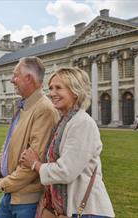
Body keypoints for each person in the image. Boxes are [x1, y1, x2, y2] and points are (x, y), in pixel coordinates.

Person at [20, 67, 115, 218]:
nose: (51, 93)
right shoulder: (64, 121)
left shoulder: (82, 123)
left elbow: (65, 171)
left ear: (75, 92)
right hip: (67, 210)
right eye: (50, 88)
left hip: (87, 211)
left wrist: (35, 164)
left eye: (58, 88)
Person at [0, 57, 59, 218]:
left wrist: (3, 183)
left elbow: (33, 163)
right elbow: (7, 146)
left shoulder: (44, 109)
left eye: (15, 75)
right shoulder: (22, 105)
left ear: (29, 79)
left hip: (27, 200)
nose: (12, 80)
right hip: (10, 195)